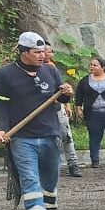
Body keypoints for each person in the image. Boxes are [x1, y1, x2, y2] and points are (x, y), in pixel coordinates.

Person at [0, 31, 73, 210]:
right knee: (29, 177)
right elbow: (1, 104)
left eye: (43, 52)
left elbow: (62, 100)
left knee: (50, 178)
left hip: (50, 133)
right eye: (37, 52)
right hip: (21, 136)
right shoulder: (5, 75)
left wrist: (67, 93)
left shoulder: (51, 71)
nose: (42, 56)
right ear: (23, 52)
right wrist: (2, 128)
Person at [42, 41, 82, 178]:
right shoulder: (33, 69)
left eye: (51, 51)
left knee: (66, 136)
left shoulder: (52, 68)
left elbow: (61, 88)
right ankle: (53, 166)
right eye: (48, 51)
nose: (51, 54)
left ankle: (73, 164)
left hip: (57, 108)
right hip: (42, 111)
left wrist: (67, 104)